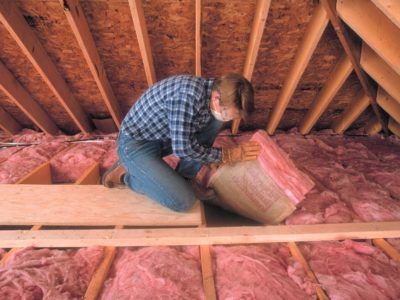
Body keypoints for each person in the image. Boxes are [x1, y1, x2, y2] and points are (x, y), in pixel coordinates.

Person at [102, 73, 261, 212]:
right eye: (228, 114)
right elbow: (183, 149)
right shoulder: (186, 97)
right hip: (135, 144)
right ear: (216, 98)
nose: (228, 119)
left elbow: (188, 140)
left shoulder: (216, 92)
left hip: (163, 136)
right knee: (183, 201)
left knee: (215, 122)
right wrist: (225, 155)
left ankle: (186, 177)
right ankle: (125, 176)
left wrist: (210, 156)